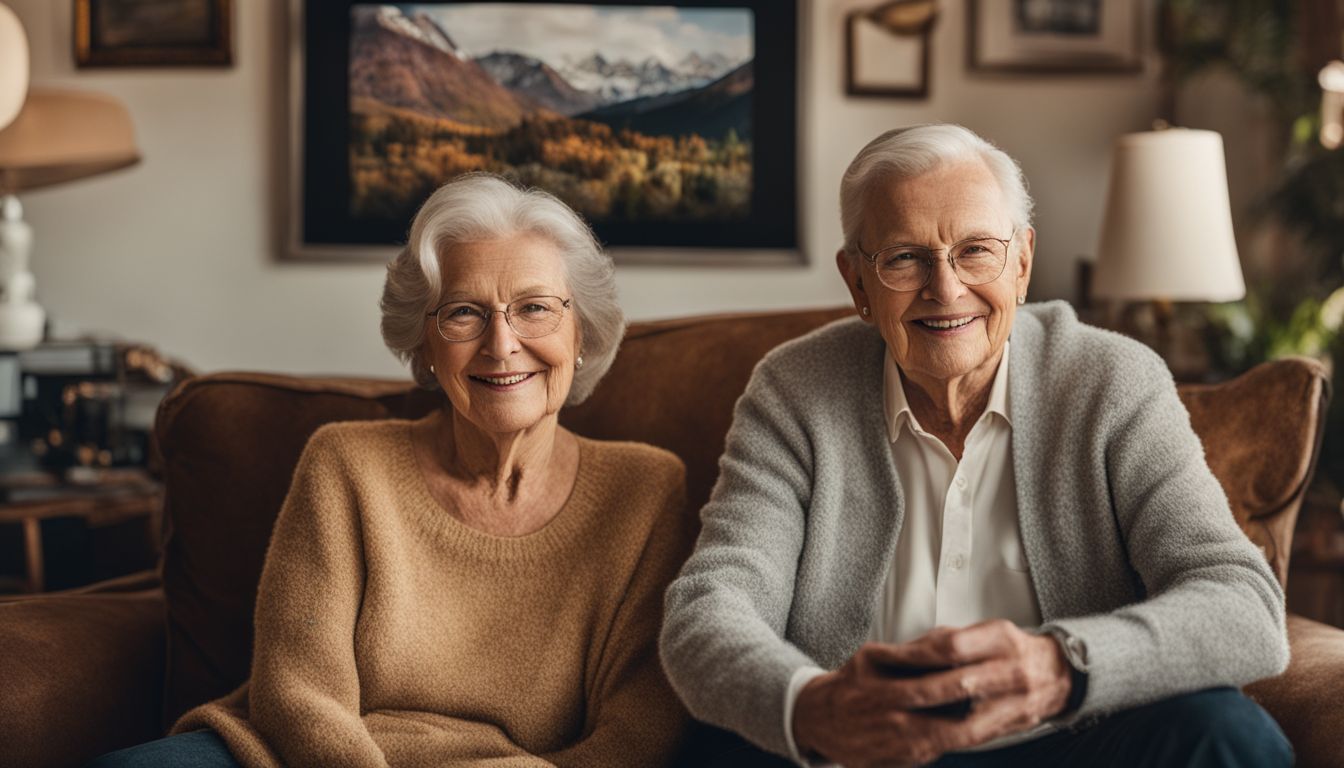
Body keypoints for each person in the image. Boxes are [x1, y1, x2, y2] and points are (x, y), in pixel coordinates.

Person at [659, 124, 1293, 768]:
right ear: (857, 284)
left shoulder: (1113, 381)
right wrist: (813, 707)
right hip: (860, 751)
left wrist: (1062, 666)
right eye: (904, 257)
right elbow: (710, 608)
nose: (946, 288)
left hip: (1072, 739)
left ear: (1021, 264)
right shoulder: (795, 390)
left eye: (976, 251)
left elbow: (1243, 605)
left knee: (1226, 733)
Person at [90, 173, 693, 768]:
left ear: (581, 330)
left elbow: (638, 728)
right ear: (426, 348)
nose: (501, 344)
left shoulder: (644, 490)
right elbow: (298, 691)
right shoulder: (347, 464)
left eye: (534, 307)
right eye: (463, 313)